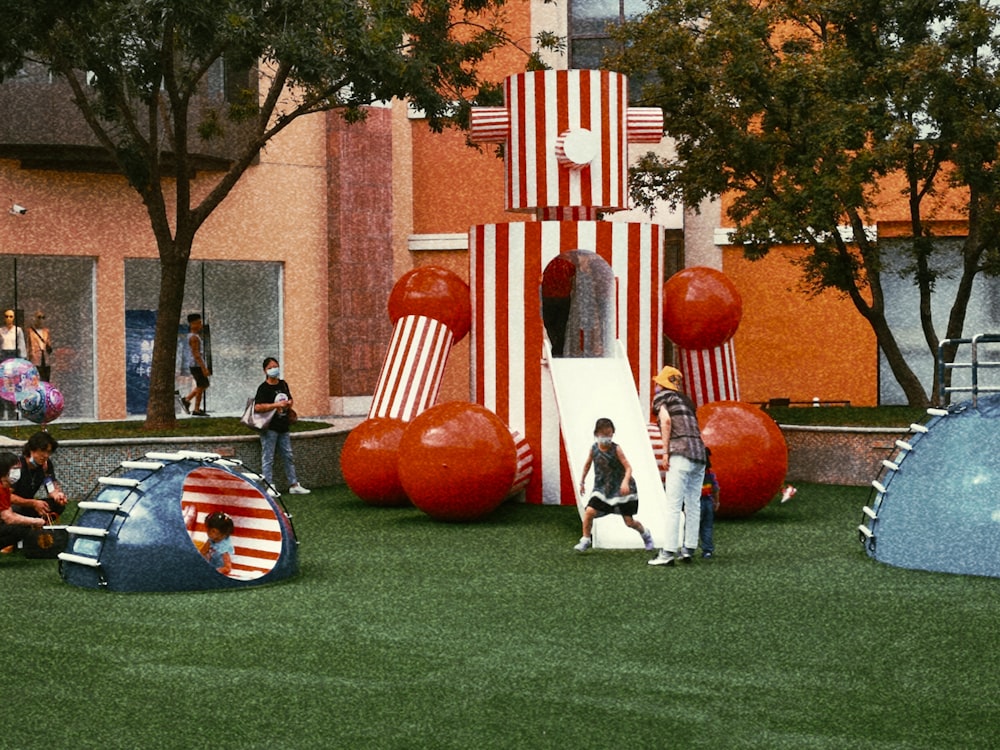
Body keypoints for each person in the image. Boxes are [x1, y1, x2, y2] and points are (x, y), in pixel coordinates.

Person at [649, 365, 708, 567]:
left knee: (673, 505)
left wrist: (665, 451)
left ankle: (667, 552)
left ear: (661, 383)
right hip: (699, 454)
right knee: (693, 503)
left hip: (680, 452)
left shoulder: (662, 398)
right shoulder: (687, 401)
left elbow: (665, 422)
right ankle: (689, 548)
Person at [574, 417, 654, 552]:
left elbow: (628, 467)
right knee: (589, 511)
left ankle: (645, 534)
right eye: (603, 434)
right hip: (602, 487)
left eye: (609, 434)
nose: (606, 437)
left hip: (620, 487)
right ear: (596, 434)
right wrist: (582, 481)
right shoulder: (594, 449)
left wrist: (625, 482)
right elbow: (588, 464)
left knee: (629, 521)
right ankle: (585, 539)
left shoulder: (616, 449)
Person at [254, 357, 310, 495]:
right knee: (268, 457)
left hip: (283, 425)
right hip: (270, 427)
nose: (274, 369)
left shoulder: (283, 384)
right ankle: (269, 484)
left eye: (276, 366)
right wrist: (276, 405)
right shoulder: (263, 388)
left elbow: (290, 399)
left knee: (288, 455)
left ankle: (294, 484)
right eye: (270, 367)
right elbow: (258, 407)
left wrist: (288, 403)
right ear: (265, 370)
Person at [11, 431, 69, 523]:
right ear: (32, 449)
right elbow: (7, 497)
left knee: (56, 505)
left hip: (28, 505)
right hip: (11, 506)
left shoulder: (45, 466)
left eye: (49, 452)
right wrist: (33, 503)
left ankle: (37, 526)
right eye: (42, 450)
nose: (46, 455)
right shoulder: (17, 466)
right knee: (16, 508)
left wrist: (57, 495)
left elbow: (50, 486)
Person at [0, 452, 48, 554]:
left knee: (20, 524)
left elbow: (8, 513)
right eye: (15, 469)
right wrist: (35, 521)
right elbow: (9, 518)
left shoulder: (5, 488)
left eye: (19, 469)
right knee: (20, 528)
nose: (18, 472)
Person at [180, 313, 211, 416]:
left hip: (195, 365)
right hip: (196, 365)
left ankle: (196, 408)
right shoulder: (194, 338)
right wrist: (204, 368)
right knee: (203, 385)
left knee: (202, 385)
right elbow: (196, 354)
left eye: (200, 323)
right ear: (192, 324)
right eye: (198, 323)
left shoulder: (194, 336)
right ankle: (187, 400)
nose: (200, 325)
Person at [699, 448, 720, 559]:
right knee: (707, 527)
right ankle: (707, 550)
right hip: (708, 501)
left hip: (697, 502)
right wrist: (716, 502)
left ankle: (687, 549)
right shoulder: (710, 473)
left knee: (690, 526)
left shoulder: (695, 472)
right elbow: (716, 488)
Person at [199, 511, 235, 575]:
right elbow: (203, 552)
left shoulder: (224, 547)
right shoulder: (212, 539)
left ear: (214, 531)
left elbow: (227, 568)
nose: (206, 531)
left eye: (208, 530)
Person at [26, 310, 53, 383]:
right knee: (35, 378)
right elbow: (28, 345)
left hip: (45, 357)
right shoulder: (30, 331)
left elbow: (48, 344)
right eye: (39, 317)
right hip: (35, 356)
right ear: (35, 318)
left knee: (46, 379)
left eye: (43, 317)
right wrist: (28, 358)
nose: (41, 319)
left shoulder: (46, 331)